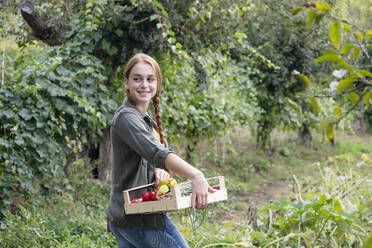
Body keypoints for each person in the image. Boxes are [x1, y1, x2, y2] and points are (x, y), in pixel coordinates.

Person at [106, 53, 214, 248]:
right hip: (140, 220)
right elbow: (158, 154)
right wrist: (195, 174)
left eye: (150, 79)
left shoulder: (145, 120)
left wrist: (158, 170)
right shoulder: (126, 118)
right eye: (137, 79)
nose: (144, 85)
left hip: (126, 217)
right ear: (127, 83)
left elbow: (153, 156)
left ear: (157, 84)